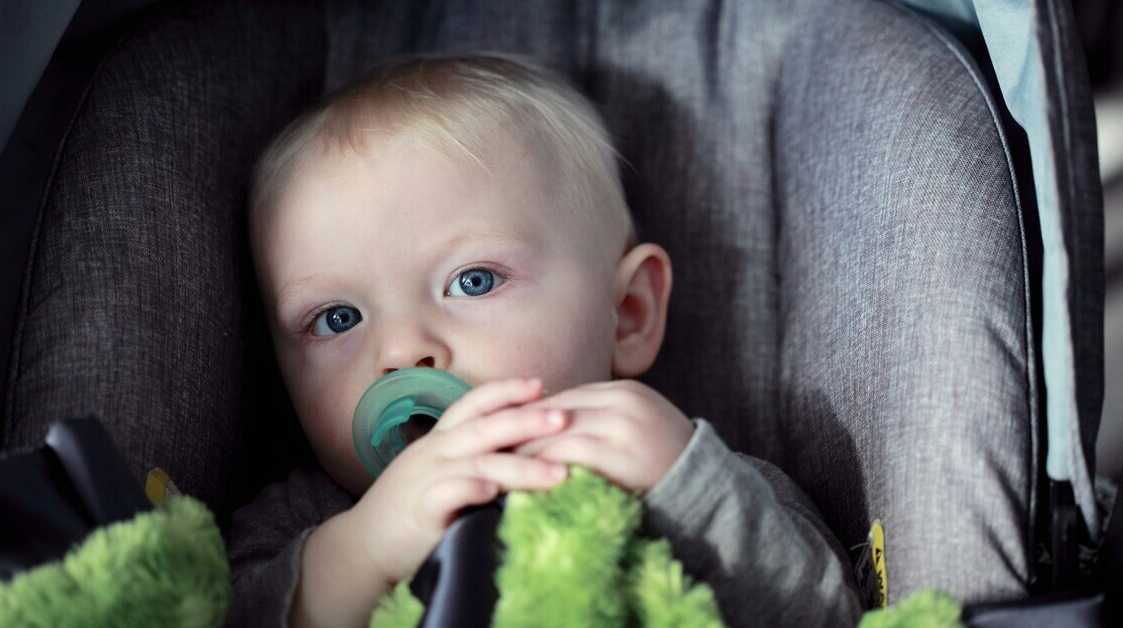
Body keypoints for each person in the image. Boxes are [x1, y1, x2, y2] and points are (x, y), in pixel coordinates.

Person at [228, 53, 862, 627]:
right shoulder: (308, 520)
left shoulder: (683, 475)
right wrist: (365, 549)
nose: (399, 352)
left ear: (628, 313)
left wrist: (691, 490)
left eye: (473, 281)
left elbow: (829, 613)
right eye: (337, 318)